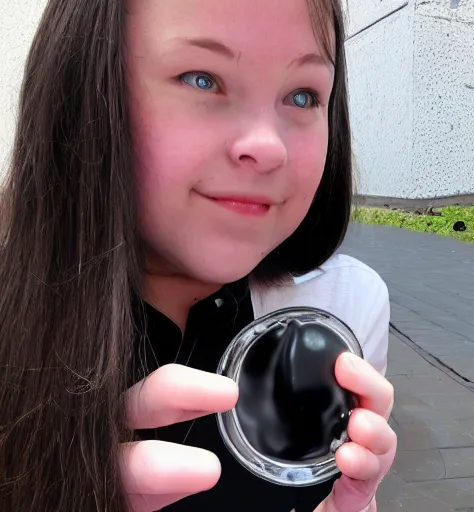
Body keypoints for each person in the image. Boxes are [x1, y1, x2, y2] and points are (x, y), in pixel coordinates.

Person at [0, 0, 397, 511]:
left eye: (302, 95)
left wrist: (351, 504)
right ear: (87, 91)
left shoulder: (344, 306)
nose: (267, 146)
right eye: (202, 79)